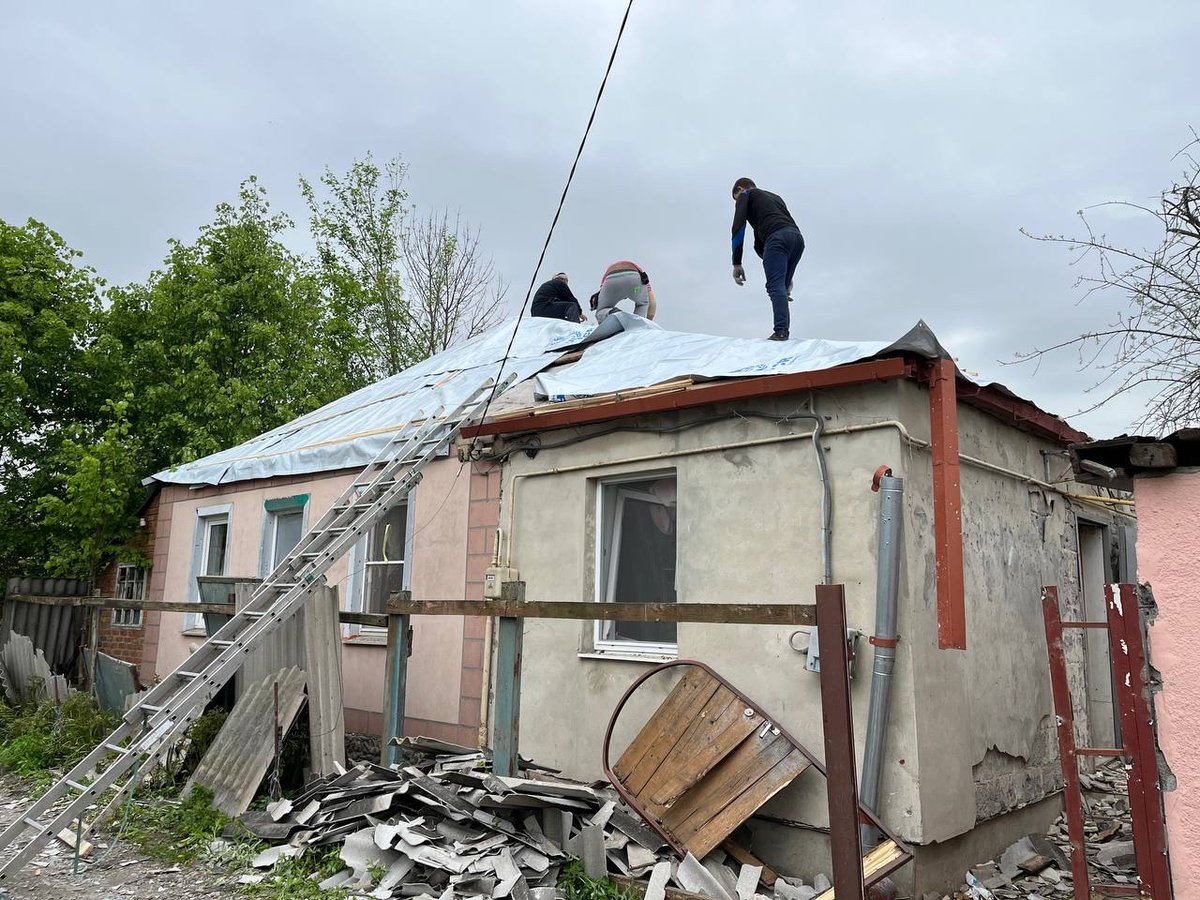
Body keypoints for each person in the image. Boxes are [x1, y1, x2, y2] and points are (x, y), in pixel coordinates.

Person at [729, 177, 804, 341]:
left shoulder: (745, 194)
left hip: (777, 239)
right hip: (797, 239)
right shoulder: (774, 197)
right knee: (781, 286)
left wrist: (736, 263)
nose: (737, 204)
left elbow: (738, 227)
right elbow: (759, 242)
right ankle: (786, 287)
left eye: (736, 200)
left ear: (740, 189)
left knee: (774, 286)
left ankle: (781, 332)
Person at [590, 260, 657, 323]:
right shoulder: (642, 274)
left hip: (611, 279)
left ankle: (612, 313)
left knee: (601, 311)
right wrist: (648, 322)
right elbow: (652, 303)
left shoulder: (606, 276)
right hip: (634, 279)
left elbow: (602, 292)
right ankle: (638, 324)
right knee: (642, 304)